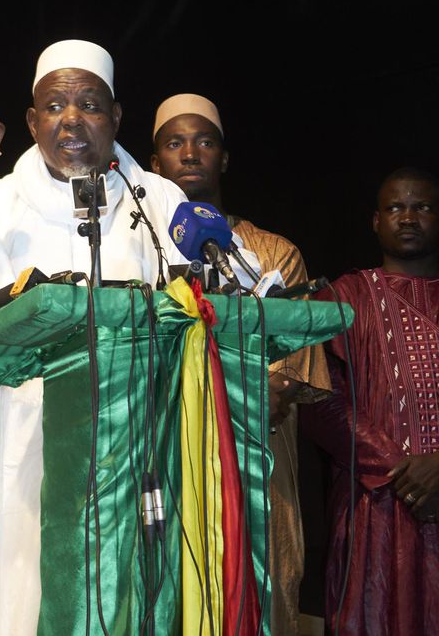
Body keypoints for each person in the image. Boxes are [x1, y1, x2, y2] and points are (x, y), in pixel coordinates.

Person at [0, 40, 189, 635]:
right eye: (55, 105)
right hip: (22, 453)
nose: (71, 119)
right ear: (31, 122)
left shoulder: (158, 203)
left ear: (116, 118)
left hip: (141, 453)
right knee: (23, 603)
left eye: (89, 104)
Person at [151, 93, 331, 634]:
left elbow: (294, 368)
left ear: (223, 159)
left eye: (204, 142)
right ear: (154, 161)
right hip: (164, 455)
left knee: (265, 587)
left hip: (258, 460)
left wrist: (255, 389)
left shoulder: (274, 252)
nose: (189, 154)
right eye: (174, 143)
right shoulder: (139, 250)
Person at [303, 168, 439, 635]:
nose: (408, 217)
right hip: (374, 509)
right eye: (396, 207)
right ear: (375, 221)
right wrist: (405, 471)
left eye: (422, 207)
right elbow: (318, 397)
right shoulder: (342, 297)